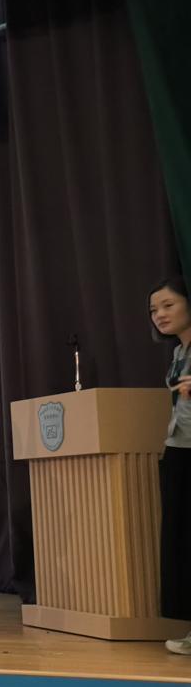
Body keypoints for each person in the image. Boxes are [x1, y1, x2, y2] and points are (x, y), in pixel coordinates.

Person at [149, 277, 191, 655]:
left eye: (168, 305)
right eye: (154, 309)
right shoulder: (179, 352)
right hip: (178, 448)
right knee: (181, 541)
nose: (159, 315)